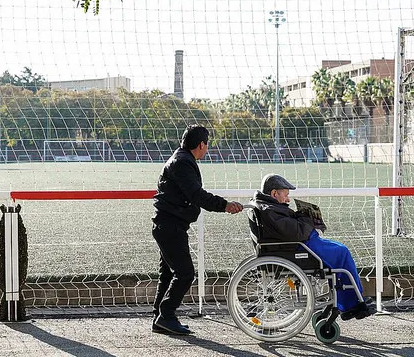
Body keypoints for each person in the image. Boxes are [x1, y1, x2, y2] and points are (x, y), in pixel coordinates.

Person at [152, 125, 243, 335]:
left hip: (167, 225)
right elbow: (196, 195)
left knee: (168, 274)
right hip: (170, 225)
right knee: (185, 274)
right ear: (201, 144)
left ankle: (160, 319)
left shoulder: (181, 158)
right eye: (207, 145)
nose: (207, 148)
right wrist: (225, 205)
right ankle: (166, 314)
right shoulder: (183, 162)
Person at [250, 173, 376, 320]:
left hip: (299, 246)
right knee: (342, 252)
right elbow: (297, 232)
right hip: (299, 248)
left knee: (339, 250)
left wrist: (300, 217)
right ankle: (351, 304)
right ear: (274, 193)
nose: (288, 199)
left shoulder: (268, 207)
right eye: (286, 195)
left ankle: (349, 302)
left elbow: (289, 228)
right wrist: (306, 218)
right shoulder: (269, 210)